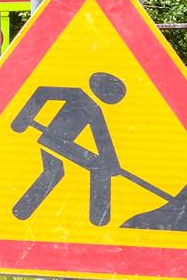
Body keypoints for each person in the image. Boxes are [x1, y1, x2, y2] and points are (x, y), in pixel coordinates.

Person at [10, 72, 127, 226]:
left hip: (61, 143)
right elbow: (42, 92)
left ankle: (21, 211)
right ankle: (99, 218)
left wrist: (113, 164)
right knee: (91, 169)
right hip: (53, 139)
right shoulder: (78, 95)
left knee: (56, 171)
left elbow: (103, 140)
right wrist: (21, 121)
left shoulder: (94, 108)